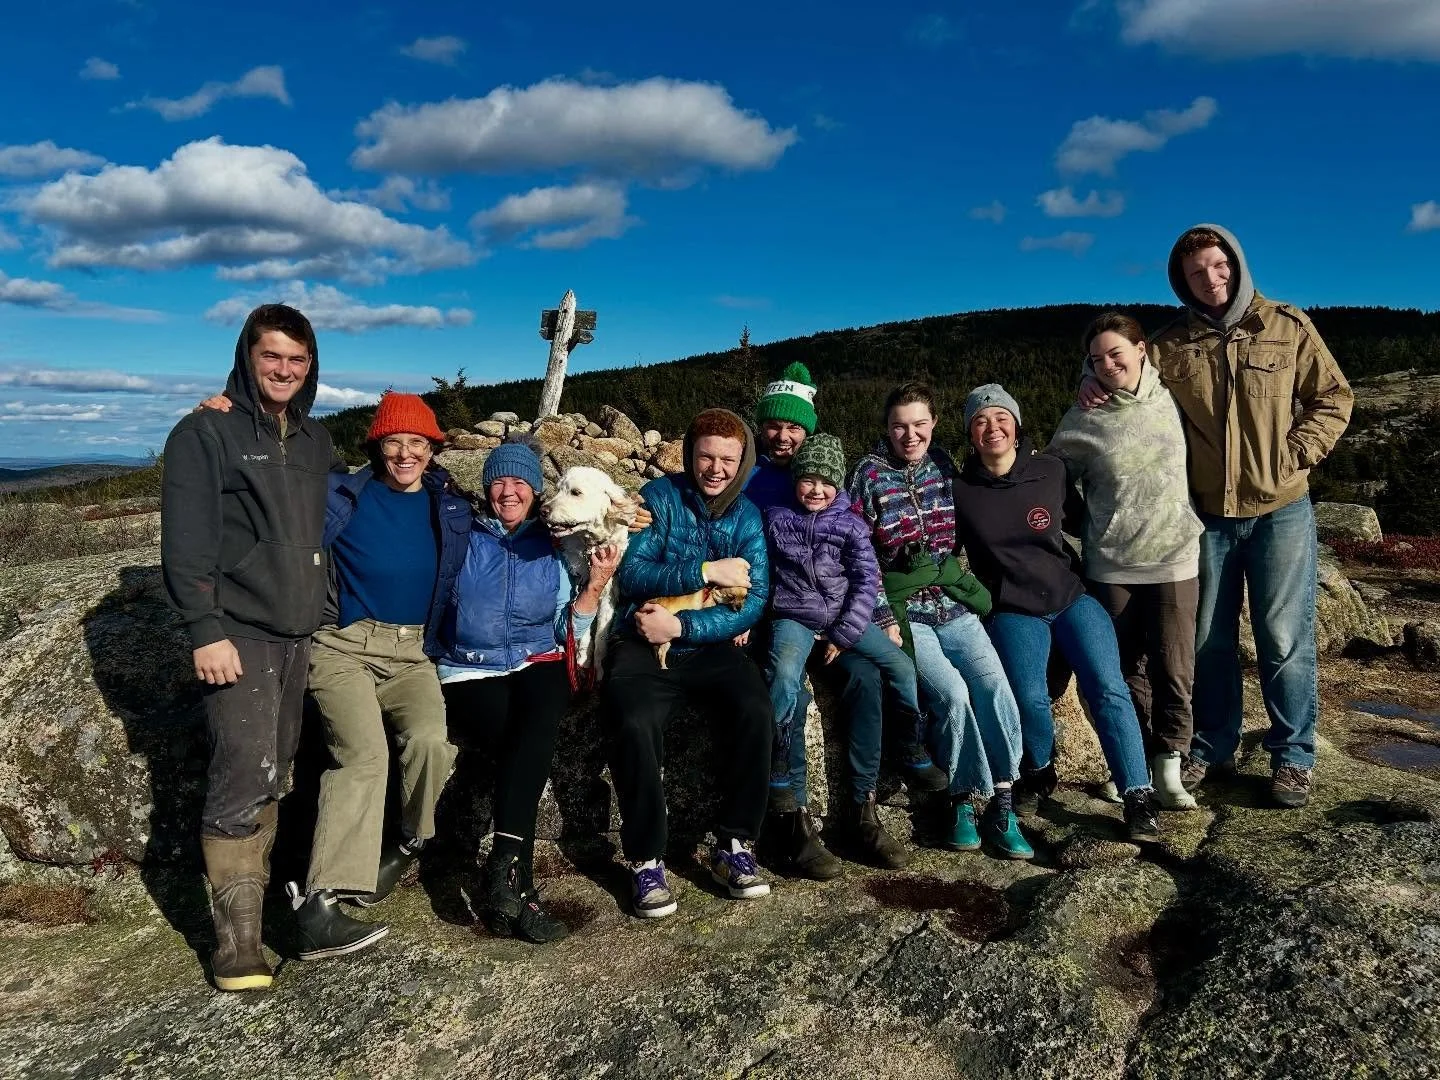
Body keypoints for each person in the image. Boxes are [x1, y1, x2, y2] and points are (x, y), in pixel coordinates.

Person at [1081, 224, 1353, 808]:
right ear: (1182, 281)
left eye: (1218, 265)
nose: (1211, 279)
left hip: (1281, 509)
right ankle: (1212, 745)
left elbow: (1334, 398)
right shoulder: (1170, 344)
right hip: (1205, 517)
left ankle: (1292, 756)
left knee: (1283, 637)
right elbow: (1123, 368)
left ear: (1237, 263)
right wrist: (1087, 380)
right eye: (1196, 272)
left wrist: (1296, 453)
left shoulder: (1286, 326)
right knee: (1208, 640)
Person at [161, 304, 333, 992]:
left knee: (274, 771)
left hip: (298, 632)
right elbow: (186, 538)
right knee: (241, 771)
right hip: (239, 632)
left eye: (297, 359)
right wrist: (204, 629)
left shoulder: (316, 439)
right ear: (247, 356)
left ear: (311, 366)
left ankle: (262, 913)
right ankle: (237, 945)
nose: (285, 370)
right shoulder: (205, 431)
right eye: (272, 356)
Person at [283, 392, 467, 959]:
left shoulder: (449, 505)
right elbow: (267, 495)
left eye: (417, 443)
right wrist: (226, 418)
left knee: (431, 743)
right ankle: (319, 903)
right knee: (364, 756)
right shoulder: (340, 495)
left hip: (413, 652)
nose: (405, 453)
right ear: (376, 446)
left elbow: (516, 523)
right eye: (394, 442)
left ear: (433, 450)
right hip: (343, 646)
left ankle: (409, 841)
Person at [747, 364, 930, 879]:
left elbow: (860, 563)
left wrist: (879, 616)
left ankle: (861, 811)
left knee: (866, 679)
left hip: (835, 618)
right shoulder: (749, 478)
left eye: (795, 427)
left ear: (809, 432)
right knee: (789, 687)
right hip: (778, 614)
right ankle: (794, 821)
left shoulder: (833, 487)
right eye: (774, 425)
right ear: (761, 426)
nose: (783, 435)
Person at [956, 384, 1160, 842]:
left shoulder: (1050, 470)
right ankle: (1039, 770)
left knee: (1108, 687)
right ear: (970, 433)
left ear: (1017, 425)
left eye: (1001, 418)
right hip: (1014, 608)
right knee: (1028, 696)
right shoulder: (961, 490)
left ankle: (1138, 793)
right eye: (981, 421)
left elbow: (1089, 522)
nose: (992, 427)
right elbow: (941, 550)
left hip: (1071, 598)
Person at [437, 435, 620, 943]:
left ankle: (507, 874)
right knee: (521, 739)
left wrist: (595, 586)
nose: (509, 491)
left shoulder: (554, 543)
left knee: (539, 717)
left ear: (536, 491)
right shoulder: (462, 536)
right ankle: (515, 882)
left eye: (520, 482)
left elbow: (568, 624)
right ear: (485, 489)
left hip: (537, 659)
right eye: (499, 481)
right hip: (470, 668)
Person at [848, 383, 1032, 860]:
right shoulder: (867, 475)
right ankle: (961, 798)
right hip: (905, 610)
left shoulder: (945, 464)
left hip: (953, 603)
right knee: (950, 694)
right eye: (899, 426)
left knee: (994, 687)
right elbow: (859, 552)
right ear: (887, 428)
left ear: (933, 424)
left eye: (919, 424)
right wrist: (882, 615)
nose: (910, 435)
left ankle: (1004, 800)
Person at [604, 408, 773, 918]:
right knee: (633, 719)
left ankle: (734, 844)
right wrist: (705, 570)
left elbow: (753, 599)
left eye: (728, 460)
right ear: (690, 454)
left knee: (755, 709)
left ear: (742, 462)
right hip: (642, 636)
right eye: (706, 457)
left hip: (704, 643)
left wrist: (684, 628)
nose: (715, 469)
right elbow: (632, 573)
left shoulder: (747, 517)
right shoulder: (659, 498)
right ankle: (646, 858)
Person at [1050, 313, 1204, 811]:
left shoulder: (1175, 397)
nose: (1108, 364)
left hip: (1174, 557)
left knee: (1174, 668)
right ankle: (1130, 763)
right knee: (1117, 671)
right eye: (1096, 360)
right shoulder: (1084, 416)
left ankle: (1169, 768)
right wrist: (1084, 521)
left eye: (1116, 353)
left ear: (1142, 349)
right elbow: (1052, 475)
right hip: (1111, 563)